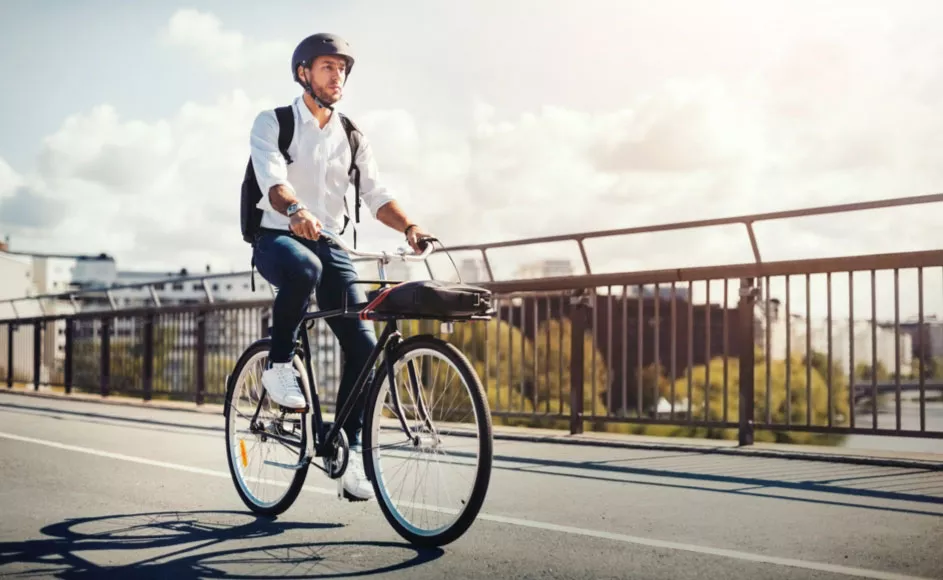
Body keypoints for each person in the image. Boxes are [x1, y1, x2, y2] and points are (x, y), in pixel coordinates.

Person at [248, 32, 431, 501]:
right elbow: (273, 181)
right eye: (328, 66)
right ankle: (279, 365)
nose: (338, 75)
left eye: (343, 68)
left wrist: (409, 227)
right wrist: (295, 212)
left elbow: (375, 194)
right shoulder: (275, 122)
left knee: (365, 348)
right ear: (304, 72)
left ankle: (344, 448)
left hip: (331, 244)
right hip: (277, 236)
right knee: (303, 270)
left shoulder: (351, 134)